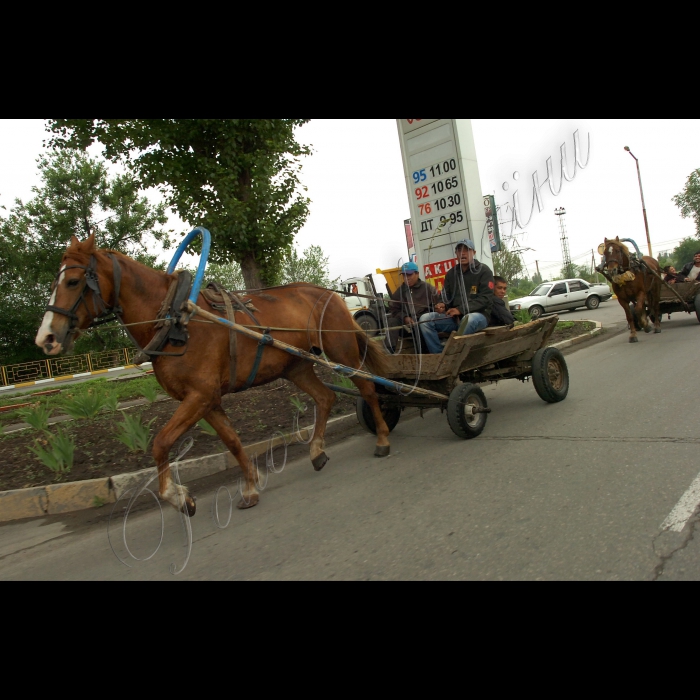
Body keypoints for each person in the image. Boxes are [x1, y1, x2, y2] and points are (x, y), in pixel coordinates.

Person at [419, 239, 495, 354]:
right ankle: (439, 355)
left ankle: (454, 355)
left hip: (479, 316)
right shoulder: (451, 273)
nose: (462, 253)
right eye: (459, 250)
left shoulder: (484, 271)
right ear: (456, 254)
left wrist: (460, 310)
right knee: (425, 320)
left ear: (473, 253)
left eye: (466, 250)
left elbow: (486, 298)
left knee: (468, 319)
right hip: (454, 319)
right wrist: (441, 304)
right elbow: (445, 296)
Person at [385, 261, 441, 353]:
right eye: (404, 275)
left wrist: (437, 308)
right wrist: (405, 318)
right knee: (391, 322)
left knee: (422, 324)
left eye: (409, 275)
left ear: (417, 274)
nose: (407, 278)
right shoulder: (400, 292)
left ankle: (425, 356)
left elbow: (438, 304)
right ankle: (388, 352)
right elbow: (394, 310)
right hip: (406, 326)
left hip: (422, 324)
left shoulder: (428, 288)